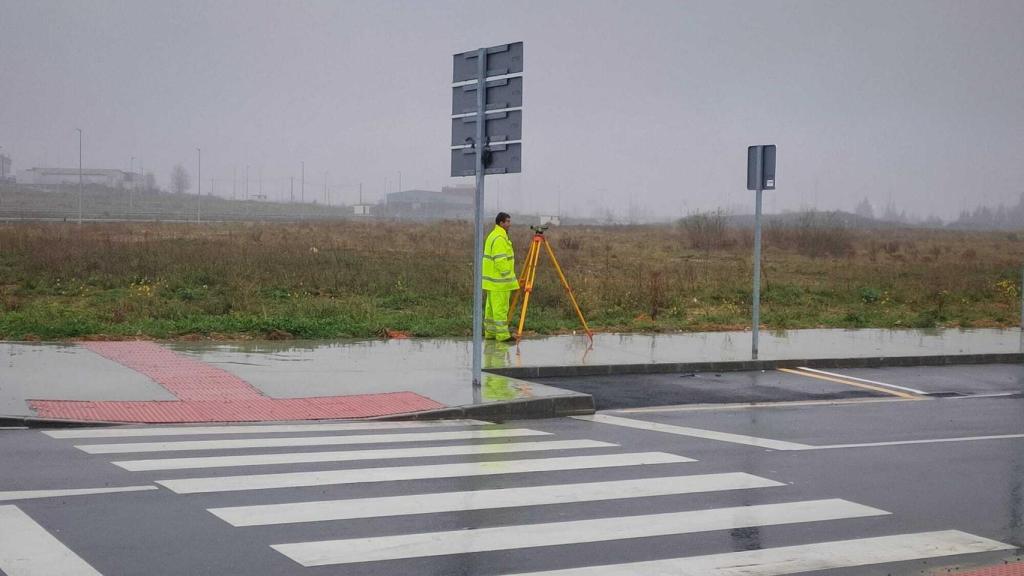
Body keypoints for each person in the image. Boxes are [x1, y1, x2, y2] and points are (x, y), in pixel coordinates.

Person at [483, 212, 519, 342]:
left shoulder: (493, 235)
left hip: (492, 282)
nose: (510, 224)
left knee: (491, 310)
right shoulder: (499, 238)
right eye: (507, 221)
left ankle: (491, 333)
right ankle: (503, 335)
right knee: (500, 310)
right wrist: (508, 274)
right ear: (501, 223)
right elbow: (500, 260)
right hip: (500, 282)